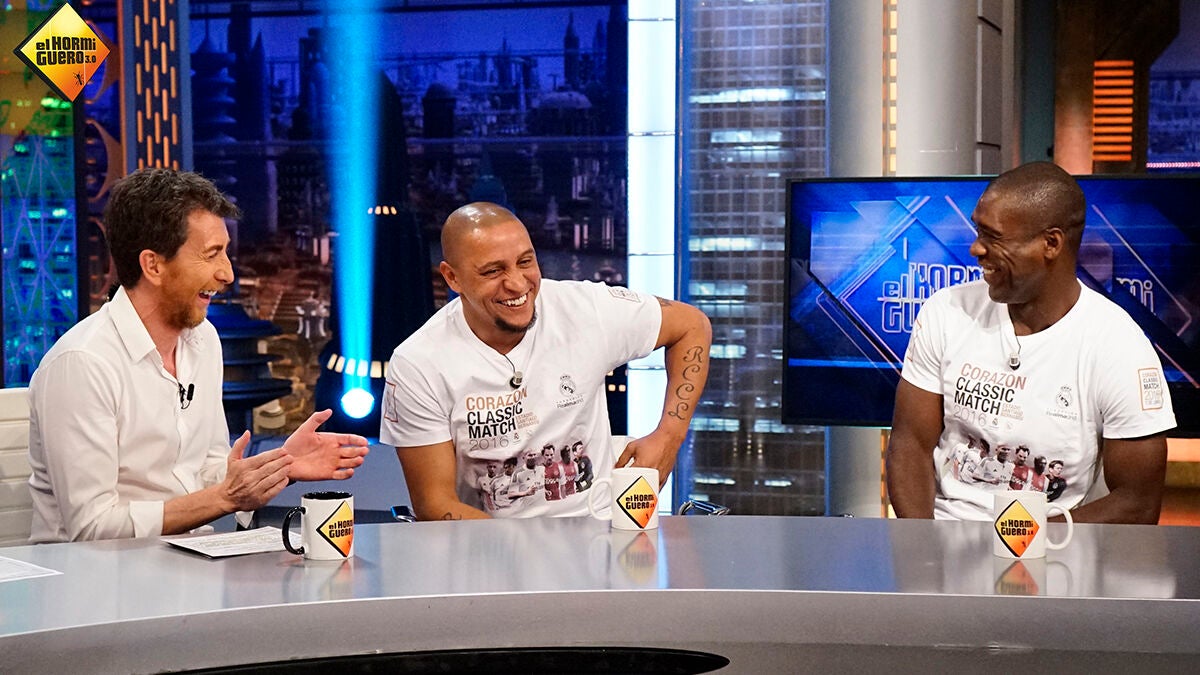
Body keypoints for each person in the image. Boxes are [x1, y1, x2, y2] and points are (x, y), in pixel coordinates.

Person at [26, 168, 369, 543]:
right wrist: (224, 499)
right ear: (153, 265)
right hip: (96, 572)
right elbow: (92, 527)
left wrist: (278, 466)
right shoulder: (82, 364)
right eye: (212, 255)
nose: (228, 274)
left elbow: (207, 472)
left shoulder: (203, 340)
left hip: (189, 560)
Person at [381, 202, 712, 520]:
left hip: (600, 531)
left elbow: (692, 326)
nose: (516, 284)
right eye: (493, 271)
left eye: (525, 262)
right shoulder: (419, 364)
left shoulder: (587, 309)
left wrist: (669, 436)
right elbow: (435, 505)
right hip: (489, 544)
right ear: (453, 278)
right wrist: (528, 549)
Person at [885, 162, 1175, 524]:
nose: (976, 248)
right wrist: (922, 545)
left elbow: (1138, 502)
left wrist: (1021, 544)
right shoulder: (947, 311)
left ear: (1050, 244)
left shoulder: (1119, 346)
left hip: (1055, 545)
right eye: (978, 231)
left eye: (993, 237)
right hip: (943, 538)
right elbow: (909, 444)